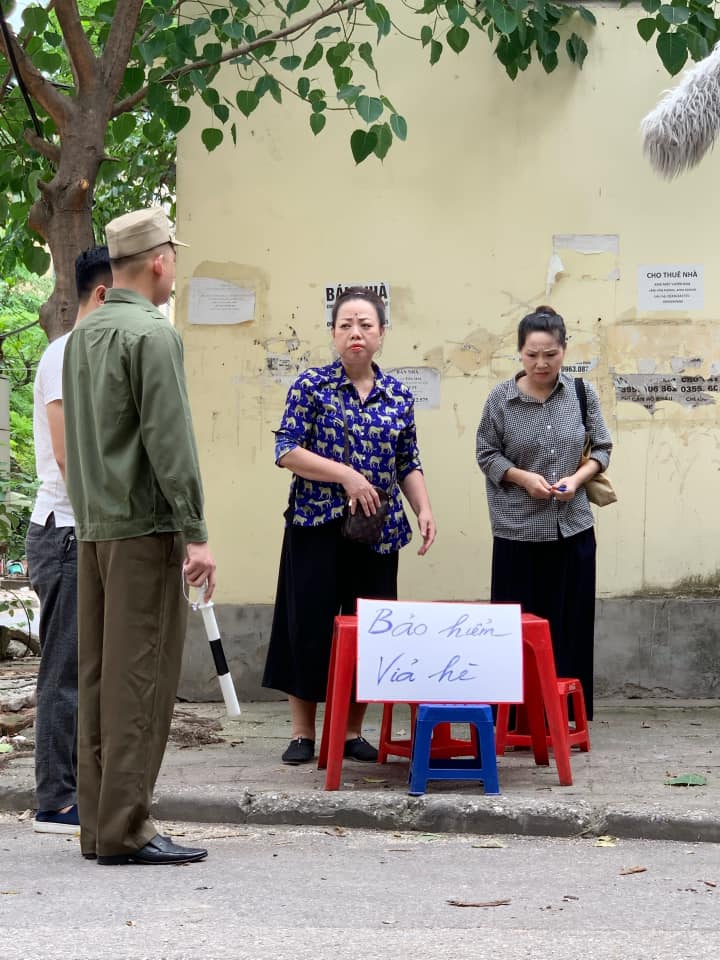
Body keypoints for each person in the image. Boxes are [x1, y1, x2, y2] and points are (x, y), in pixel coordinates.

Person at [62, 208, 216, 866]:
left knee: (99, 679)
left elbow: (76, 441)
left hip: (95, 528)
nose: (174, 267)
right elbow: (170, 441)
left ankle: (99, 825)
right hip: (144, 529)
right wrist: (197, 532)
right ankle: (128, 826)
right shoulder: (153, 335)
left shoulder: (84, 335)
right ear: (158, 260)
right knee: (140, 680)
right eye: (173, 256)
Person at [263, 286, 436, 765]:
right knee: (308, 625)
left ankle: (351, 732)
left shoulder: (398, 395)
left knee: (369, 629)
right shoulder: (311, 386)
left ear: (381, 333)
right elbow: (287, 451)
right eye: (346, 325)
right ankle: (303, 733)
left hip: (376, 532)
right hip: (315, 525)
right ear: (334, 334)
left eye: (366, 325)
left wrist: (422, 507)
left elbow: (408, 460)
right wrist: (347, 475)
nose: (356, 333)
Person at [475, 305, 612, 719]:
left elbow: (602, 448)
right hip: (518, 532)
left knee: (570, 625)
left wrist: (577, 478)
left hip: (573, 529)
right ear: (520, 352)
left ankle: (564, 715)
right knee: (516, 630)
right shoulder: (501, 399)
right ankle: (516, 718)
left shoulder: (582, 394)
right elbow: (485, 453)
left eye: (550, 354)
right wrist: (522, 478)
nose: (541, 363)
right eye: (532, 354)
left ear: (564, 350)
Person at [27, 247, 112, 835]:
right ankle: (54, 801)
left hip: (84, 531)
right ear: (102, 295)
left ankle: (79, 788)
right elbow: (66, 453)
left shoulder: (91, 354)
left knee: (85, 671)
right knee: (63, 672)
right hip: (64, 532)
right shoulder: (65, 355)